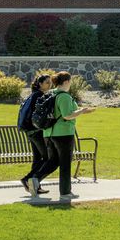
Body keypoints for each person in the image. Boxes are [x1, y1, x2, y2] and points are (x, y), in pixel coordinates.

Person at [44, 71, 95, 202]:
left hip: (48, 133)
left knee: (52, 161)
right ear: (66, 82)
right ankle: (65, 192)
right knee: (65, 164)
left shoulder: (49, 94)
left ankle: (34, 179)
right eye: (70, 81)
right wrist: (82, 111)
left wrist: (81, 112)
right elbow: (67, 115)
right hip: (63, 133)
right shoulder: (64, 96)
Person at [19, 74, 53, 196]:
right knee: (47, 158)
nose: (50, 85)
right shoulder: (40, 96)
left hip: (30, 132)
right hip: (36, 132)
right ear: (40, 84)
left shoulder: (32, 95)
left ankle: (35, 186)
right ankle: (28, 179)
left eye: (50, 82)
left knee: (38, 158)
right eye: (47, 82)